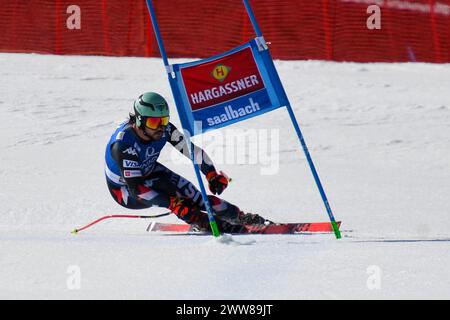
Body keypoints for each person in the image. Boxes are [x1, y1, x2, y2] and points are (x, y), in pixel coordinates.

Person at [104, 92, 272, 232]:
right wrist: (171, 203)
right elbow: (137, 189)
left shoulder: (165, 130)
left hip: (148, 169)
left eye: (163, 120)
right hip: (125, 189)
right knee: (177, 199)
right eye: (154, 122)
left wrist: (211, 173)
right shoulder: (123, 145)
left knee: (196, 197)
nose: (161, 127)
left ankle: (240, 217)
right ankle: (201, 221)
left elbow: (191, 151)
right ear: (139, 121)